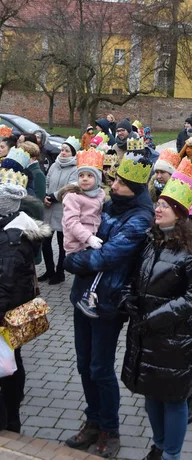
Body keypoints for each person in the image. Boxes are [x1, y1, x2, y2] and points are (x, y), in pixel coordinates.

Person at [64, 153, 155, 459]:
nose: (113, 185)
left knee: (100, 367)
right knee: (82, 364)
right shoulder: (109, 205)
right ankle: (92, 420)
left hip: (109, 300)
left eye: (119, 182)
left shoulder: (141, 217)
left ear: (134, 188)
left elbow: (108, 256)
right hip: (83, 296)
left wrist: (70, 261)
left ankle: (109, 429)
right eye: (114, 180)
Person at [121, 176, 192, 460]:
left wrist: (157, 317)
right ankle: (158, 446)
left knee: (172, 399)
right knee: (150, 395)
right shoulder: (152, 239)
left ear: (180, 213)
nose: (157, 209)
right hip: (146, 331)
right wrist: (128, 298)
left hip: (177, 338)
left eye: (165, 206)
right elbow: (134, 277)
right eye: (158, 203)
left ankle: (171, 454)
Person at [0, 166, 51, 433]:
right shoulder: (12, 228)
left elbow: (7, 284)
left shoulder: (11, 239)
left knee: (7, 366)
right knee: (11, 362)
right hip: (11, 314)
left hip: (6, 316)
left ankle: (9, 422)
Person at [61, 149, 106, 318]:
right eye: (82, 176)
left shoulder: (100, 195)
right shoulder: (73, 197)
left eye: (89, 175)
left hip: (92, 241)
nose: (85, 179)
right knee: (94, 269)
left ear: (98, 179)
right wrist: (88, 238)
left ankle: (88, 297)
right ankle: (85, 298)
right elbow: (72, 222)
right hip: (78, 244)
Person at [40, 136, 80, 284]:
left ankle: (60, 272)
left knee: (62, 243)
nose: (63, 153)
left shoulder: (75, 169)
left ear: (73, 153)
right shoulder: (55, 165)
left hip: (63, 210)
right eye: (62, 150)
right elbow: (47, 180)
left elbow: (71, 187)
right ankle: (49, 270)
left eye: (67, 151)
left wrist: (53, 196)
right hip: (48, 208)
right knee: (45, 242)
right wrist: (45, 195)